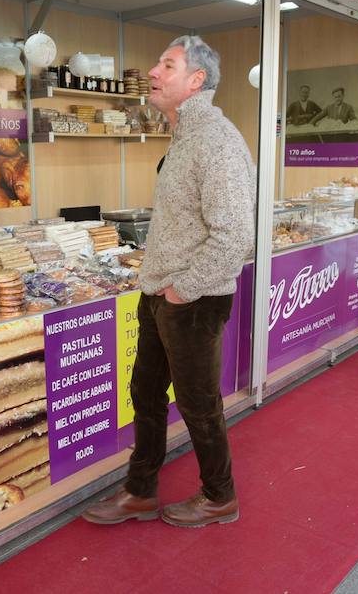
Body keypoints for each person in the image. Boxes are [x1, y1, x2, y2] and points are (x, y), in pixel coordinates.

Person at [82, 36, 255, 528]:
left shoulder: (216, 142)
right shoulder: (182, 139)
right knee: (146, 394)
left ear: (196, 81)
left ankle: (219, 496)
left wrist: (183, 289)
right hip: (160, 295)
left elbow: (235, 235)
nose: (153, 72)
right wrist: (159, 285)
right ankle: (140, 489)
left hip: (191, 300)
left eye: (167, 65)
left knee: (199, 405)